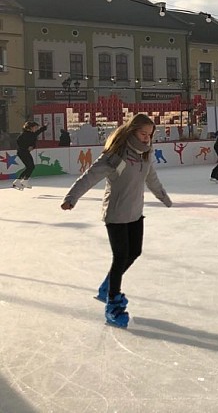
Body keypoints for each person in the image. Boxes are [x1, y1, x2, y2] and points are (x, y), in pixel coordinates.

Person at [60, 114, 172, 328]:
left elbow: (152, 179)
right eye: (143, 133)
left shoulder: (145, 156)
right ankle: (112, 304)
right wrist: (71, 198)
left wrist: (164, 198)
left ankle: (107, 286)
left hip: (135, 213)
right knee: (120, 256)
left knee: (134, 252)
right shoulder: (117, 156)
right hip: (116, 214)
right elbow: (90, 176)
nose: (147, 138)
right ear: (132, 131)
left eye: (150, 134)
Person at [12, 121, 48, 190]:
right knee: (30, 167)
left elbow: (38, 132)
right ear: (31, 128)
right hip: (23, 152)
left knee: (30, 167)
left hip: (23, 152)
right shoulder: (26, 134)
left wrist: (44, 127)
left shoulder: (30, 134)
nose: (36, 129)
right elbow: (18, 141)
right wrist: (27, 147)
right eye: (35, 127)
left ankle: (21, 181)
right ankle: (22, 181)